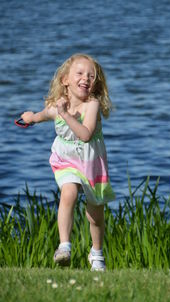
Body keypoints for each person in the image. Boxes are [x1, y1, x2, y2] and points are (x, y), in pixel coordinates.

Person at [21, 53, 115, 271]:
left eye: (92, 76)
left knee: (95, 217)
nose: (86, 79)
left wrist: (66, 114)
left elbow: (85, 135)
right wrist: (30, 118)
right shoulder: (57, 106)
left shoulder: (92, 104)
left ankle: (97, 254)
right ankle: (64, 247)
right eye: (80, 74)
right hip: (66, 160)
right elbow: (42, 115)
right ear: (65, 79)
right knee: (68, 192)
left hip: (91, 163)